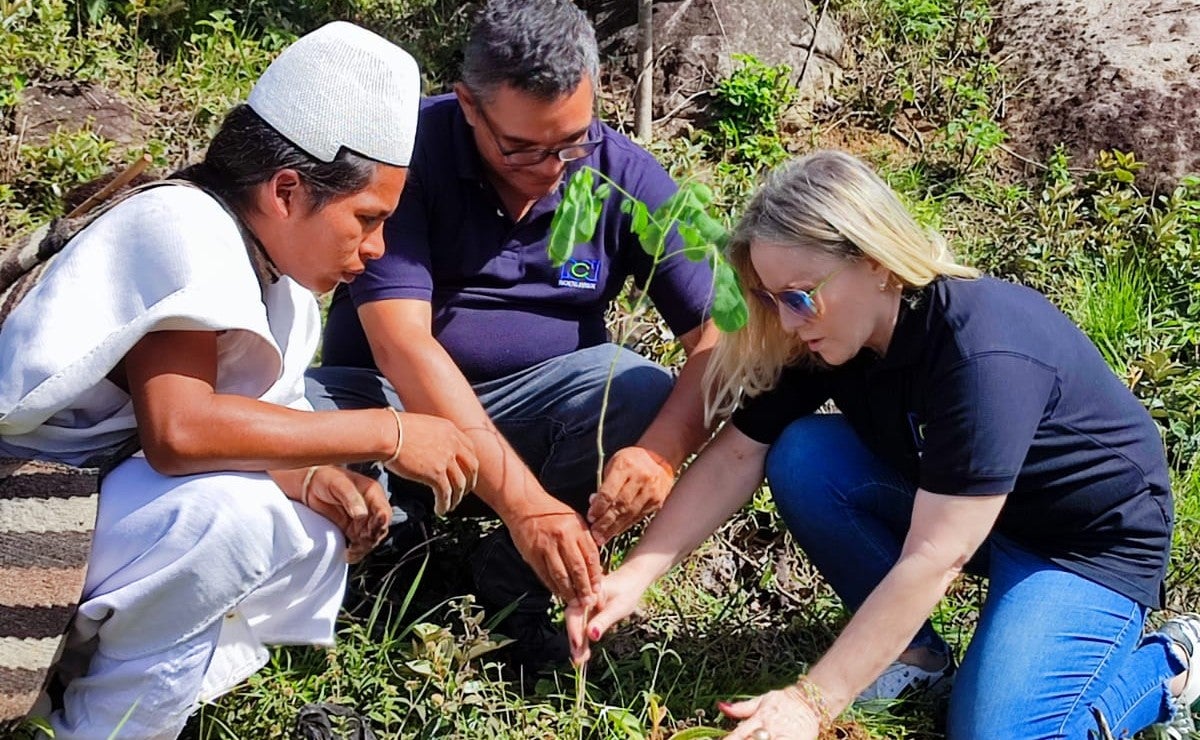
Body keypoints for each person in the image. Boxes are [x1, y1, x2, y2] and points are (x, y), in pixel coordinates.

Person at [567, 149, 1200, 739]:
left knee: (992, 733)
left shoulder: (980, 356)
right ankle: (916, 654)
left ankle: (1169, 665)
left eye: (799, 297)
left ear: (875, 262)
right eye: (771, 298)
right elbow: (738, 451)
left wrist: (813, 700)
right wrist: (636, 576)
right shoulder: (832, 333)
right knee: (803, 454)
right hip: (965, 510)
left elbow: (933, 557)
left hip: (1080, 545)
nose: (787, 320)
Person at [0, 22, 478, 739]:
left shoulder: (276, 285)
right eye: (367, 219)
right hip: (24, 491)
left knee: (308, 530)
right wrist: (390, 430)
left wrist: (313, 477)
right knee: (234, 520)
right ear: (287, 190)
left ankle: (92, 688)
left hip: (76, 497)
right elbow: (180, 432)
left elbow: (232, 432)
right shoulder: (183, 224)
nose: (374, 249)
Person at [307, 0, 720, 667]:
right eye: (521, 148)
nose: (552, 167)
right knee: (285, 421)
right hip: (389, 412)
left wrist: (660, 455)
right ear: (468, 105)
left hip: (535, 422)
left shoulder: (626, 176)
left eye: (572, 141)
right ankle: (380, 561)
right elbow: (402, 344)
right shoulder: (406, 155)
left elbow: (724, 332)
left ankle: (516, 581)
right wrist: (526, 505)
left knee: (633, 385)